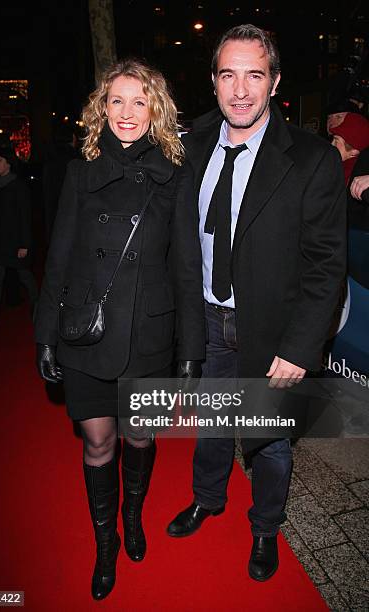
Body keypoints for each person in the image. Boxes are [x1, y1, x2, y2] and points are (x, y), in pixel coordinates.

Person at [166, 24, 346, 582]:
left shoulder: (312, 159)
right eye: (228, 74)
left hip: (273, 329)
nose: (240, 90)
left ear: (274, 82)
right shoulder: (189, 145)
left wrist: (301, 346)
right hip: (208, 318)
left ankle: (266, 527)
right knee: (214, 424)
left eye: (254, 74)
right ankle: (207, 498)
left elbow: (326, 266)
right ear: (213, 81)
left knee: (269, 442)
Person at [34, 59, 205, 600]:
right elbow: (57, 258)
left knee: (139, 435)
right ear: (100, 109)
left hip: (148, 335)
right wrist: (44, 333)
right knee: (99, 440)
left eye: (139, 102)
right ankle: (105, 542)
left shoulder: (173, 175)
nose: (126, 113)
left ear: (154, 109)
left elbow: (185, 268)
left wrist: (191, 349)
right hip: (87, 333)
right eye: (116, 101)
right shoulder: (80, 173)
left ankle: (132, 514)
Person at [0, 145, 38, 329]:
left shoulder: (18, 187)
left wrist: (24, 244)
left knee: (26, 277)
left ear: (9, 163)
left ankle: (39, 309)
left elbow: (25, 217)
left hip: (15, 243)